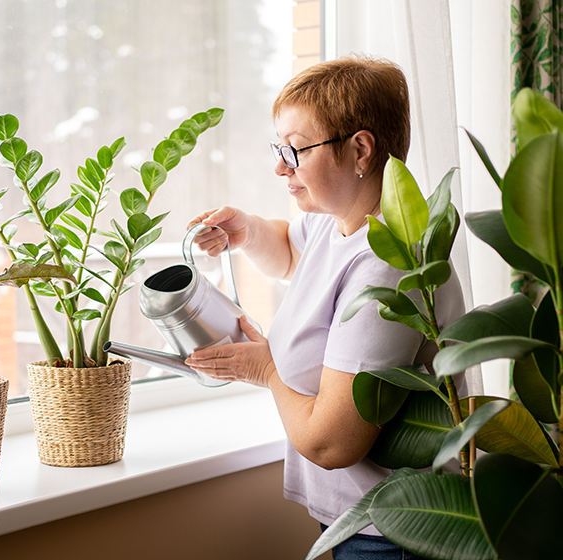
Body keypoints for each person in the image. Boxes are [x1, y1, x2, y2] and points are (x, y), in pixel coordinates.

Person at [184, 55, 464, 560]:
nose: (279, 167)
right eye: (279, 148)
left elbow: (332, 445)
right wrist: (247, 230)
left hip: (394, 532)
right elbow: (291, 251)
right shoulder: (333, 218)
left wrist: (268, 369)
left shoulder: (389, 264)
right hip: (353, 520)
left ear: (360, 149)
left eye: (294, 150)